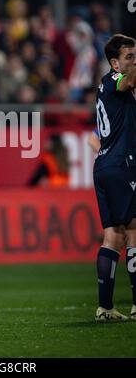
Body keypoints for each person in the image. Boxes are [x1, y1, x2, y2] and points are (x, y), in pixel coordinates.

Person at [94, 34, 136, 321]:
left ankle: (105, 307)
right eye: (130, 57)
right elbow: (128, 81)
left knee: (112, 236)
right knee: (133, 233)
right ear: (114, 62)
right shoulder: (115, 80)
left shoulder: (107, 86)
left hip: (104, 165)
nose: (135, 61)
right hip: (121, 165)